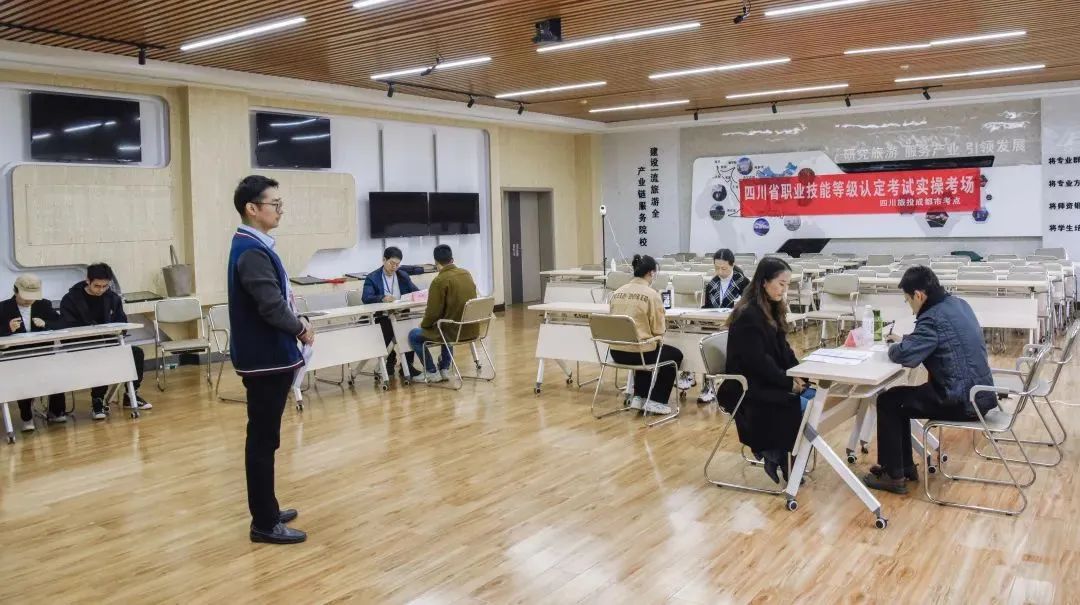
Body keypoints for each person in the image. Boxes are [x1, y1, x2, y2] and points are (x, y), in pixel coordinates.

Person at [229, 175, 314, 544]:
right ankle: (264, 523)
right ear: (252, 208)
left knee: (267, 439)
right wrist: (301, 329)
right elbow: (271, 306)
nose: (280, 211)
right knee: (263, 442)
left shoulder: (254, 246)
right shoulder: (251, 250)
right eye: (274, 204)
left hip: (268, 358)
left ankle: (268, 508)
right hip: (266, 360)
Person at [862, 266, 995, 495]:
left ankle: (893, 476)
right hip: (980, 393)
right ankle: (902, 468)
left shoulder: (932, 318)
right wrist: (908, 340)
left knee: (888, 401)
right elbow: (938, 338)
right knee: (897, 399)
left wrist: (894, 346)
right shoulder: (958, 304)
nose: (910, 307)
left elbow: (905, 356)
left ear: (919, 295)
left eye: (908, 300)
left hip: (959, 401)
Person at [718, 257, 814, 484]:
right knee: (805, 405)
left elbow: (784, 351)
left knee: (815, 399)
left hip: (768, 380)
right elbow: (758, 363)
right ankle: (781, 457)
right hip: (749, 387)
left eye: (787, 284)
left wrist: (800, 374)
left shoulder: (772, 308)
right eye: (781, 284)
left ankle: (784, 456)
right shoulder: (748, 314)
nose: (784, 289)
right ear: (764, 282)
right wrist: (789, 383)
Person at [59, 263, 150, 419]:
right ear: (88, 280)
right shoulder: (71, 299)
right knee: (101, 357)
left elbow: (122, 321)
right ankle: (97, 400)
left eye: (105, 286)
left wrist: (117, 330)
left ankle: (131, 395)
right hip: (82, 346)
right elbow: (67, 327)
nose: (101, 290)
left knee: (136, 353)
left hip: (108, 343)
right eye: (97, 286)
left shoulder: (112, 298)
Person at [607, 254, 683, 416]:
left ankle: (639, 397)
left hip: (616, 352)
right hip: (638, 353)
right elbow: (658, 331)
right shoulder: (652, 295)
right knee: (672, 354)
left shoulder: (617, 292)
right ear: (651, 273)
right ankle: (657, 400)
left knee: (645, 348)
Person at [0, 274, 66, 431]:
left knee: (56, 373)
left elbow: (61, 323)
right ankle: (26, 416)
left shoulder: (44, 304)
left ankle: (56, 411)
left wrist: (46, 323)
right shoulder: (3, 307)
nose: (29, 301)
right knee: (22, 379)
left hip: (43, 353)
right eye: (25, 297)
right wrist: (8, 328)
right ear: (16, 291)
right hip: (16, 356)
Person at [408, 244, 477, 383]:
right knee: (446, 325)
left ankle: (431, 371)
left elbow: (433, 313)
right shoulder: (466, 274)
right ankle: (444, 368)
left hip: (452, 333)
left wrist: (424, 325)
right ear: (452, 259)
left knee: (414, 335)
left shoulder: (439, 281)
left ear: (436, 263)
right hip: (472, 330)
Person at [690, 248, 751, 404]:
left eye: (724, 268)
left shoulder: (744, 283)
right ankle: (699, 378)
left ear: (732, 265)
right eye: (717, 268)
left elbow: (750, 309)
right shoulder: (712, 284)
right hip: (714, 326)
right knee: (698, 339)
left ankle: (724, 385)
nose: (720, 272)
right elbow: (708, 307)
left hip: (736, 328)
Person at [361, 246, 419, 378]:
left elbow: (415, 291)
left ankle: (407, 366)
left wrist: (419, 295)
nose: (394, 267)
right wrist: (382, 298)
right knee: (387, 328)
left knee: (411, 331)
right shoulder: (373, 277)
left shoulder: (402, 276)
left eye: (397, 264)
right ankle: (389, 359)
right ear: (384, 260)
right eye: (392, 263)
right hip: (383, 316)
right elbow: (366, 298)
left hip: (401, 314)